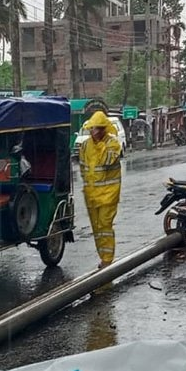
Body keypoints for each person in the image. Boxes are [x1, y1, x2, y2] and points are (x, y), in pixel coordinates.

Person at [78, 111, 123, 269]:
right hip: (91, 195)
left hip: (108, 195)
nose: (93, 131)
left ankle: (107, 259)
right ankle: (103, 257)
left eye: (96, 128)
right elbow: (83, 168)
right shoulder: (85, 145)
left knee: (105, 225)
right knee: (97, 228)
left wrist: (100, 144)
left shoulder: (113, 144)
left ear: (103, 129)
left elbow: (106, 160)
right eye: (91, 128)